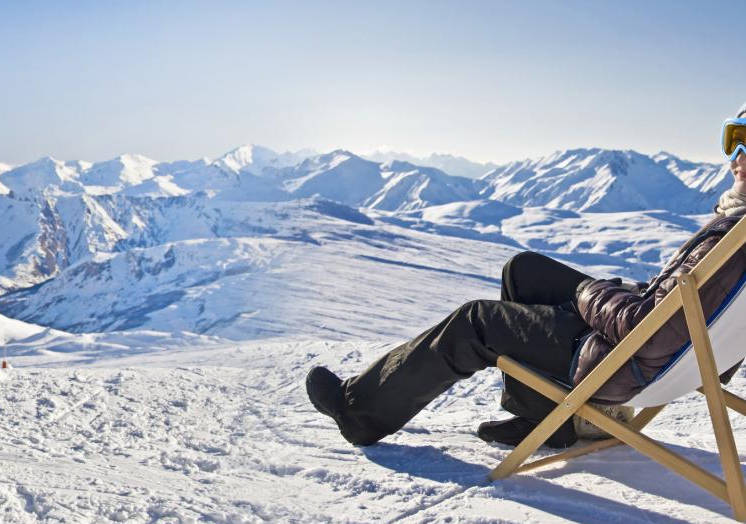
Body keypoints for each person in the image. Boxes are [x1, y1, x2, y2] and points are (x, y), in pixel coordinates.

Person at [308, 101, 746, 449]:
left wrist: (588, 292)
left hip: (627, 364)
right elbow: (684, 312)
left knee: (476, 322)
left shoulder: (735, 237)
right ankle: (543, 418)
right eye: (735, 139)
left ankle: (359, 412)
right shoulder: (736, 226)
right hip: (673, 359)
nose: (739, 156)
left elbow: (648, 330)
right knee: (524, 270)